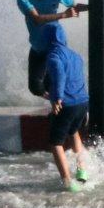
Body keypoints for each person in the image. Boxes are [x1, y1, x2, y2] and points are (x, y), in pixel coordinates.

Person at [16, 0, 84, 99]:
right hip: (38, 46)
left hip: (56, 45)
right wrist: (64, 15)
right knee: (36, 87)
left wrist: (94, 6)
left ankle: (66, 107)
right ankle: (59, 103)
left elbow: (74, 6)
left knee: (56, 83)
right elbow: (37, 19)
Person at [40, 22, 90, 191]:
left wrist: (57, 98)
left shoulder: (54, 56)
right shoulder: (75, 55)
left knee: (56, 143)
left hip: (67, 104)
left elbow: (59, 76)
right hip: (82, 101)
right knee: (74, 132)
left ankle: (68, 182)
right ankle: (82, 170)